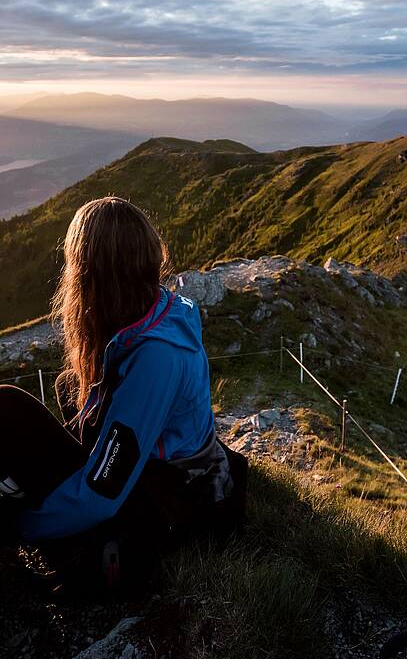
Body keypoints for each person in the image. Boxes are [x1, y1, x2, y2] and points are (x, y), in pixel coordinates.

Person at [0, 197, 247, 588]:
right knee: (61, 393)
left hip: (157, 499)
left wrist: (21, 528)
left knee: (7, 409)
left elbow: (103, 490)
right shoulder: (157, 311)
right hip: (147, 476)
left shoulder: (156, 359)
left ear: (92, 274)